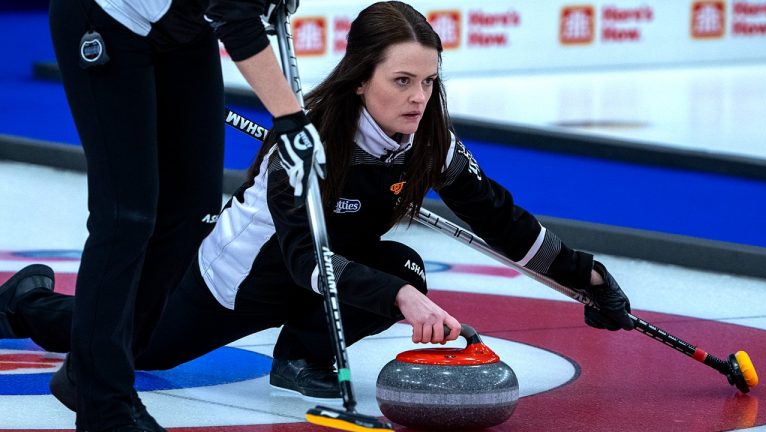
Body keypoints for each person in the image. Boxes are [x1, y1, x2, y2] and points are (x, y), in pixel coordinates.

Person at [3, 0, 632, 424]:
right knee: (145, 346)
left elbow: (499, 220)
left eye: (429, 82)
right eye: (402, 81)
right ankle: (28, 303)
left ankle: (301, 356)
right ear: (361, 79)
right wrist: (399, 300)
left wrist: (587, 275)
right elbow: (303, 259)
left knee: (403, 269)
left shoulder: (427, 143)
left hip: (327, 272)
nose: (419, 98)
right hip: (240, 282)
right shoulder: (313, 143)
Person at [45, 0, 324, 429]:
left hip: (184, 26)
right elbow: (235, 15)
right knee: (126, 216)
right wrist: (291, 121)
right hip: (109, 15)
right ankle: (104, 403)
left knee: (193, 214)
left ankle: (90, 374)